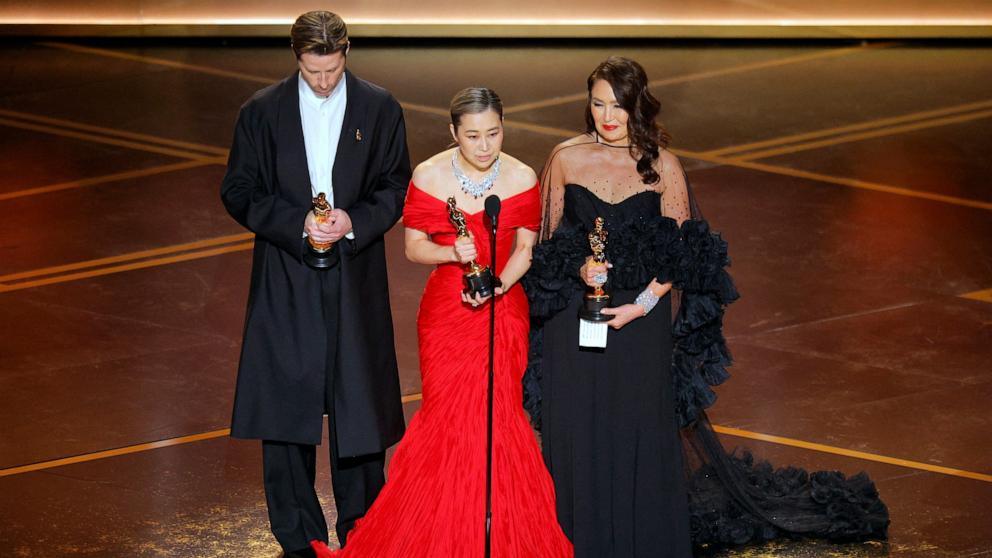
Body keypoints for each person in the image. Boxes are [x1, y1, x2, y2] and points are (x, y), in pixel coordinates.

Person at [523, 56, 889, 557]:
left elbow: (683, 256)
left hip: (639, 320)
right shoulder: (564, 157)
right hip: (578, 314)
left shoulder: (664, 166)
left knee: (637, 429)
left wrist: (642, 305)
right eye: (598, 104)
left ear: (638, 107)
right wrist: (581, 268)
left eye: (619, 106)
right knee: (578, 429)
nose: (608, 117)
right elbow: (548, 243)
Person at [319, 87, 572, 557]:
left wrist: (497, 284)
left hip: (503, 306)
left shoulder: (520, 175)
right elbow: (414, 247)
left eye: (493, 133)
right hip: (447, 310)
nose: (484, 145)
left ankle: (502, 532)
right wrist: (450, 252)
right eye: (472, 135)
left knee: (498, 415)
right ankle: (445, 530)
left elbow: (525, 250)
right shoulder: (429, 174)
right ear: (453, 132)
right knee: (449, 416)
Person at [219, 11, 410, 557]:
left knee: (358, 404)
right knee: (285, 409)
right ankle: (297, 537)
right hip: (286, 272)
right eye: (312, 69)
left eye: (332, 68)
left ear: (346, 53)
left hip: (355, 274)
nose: (324, 80)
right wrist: (295, 222)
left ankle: (363, 530)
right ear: (296, 57)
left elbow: (396, 185)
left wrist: (355, 221)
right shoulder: (261, 112)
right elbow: (238, 189)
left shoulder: (379, 107)